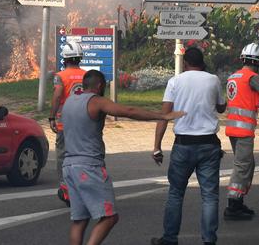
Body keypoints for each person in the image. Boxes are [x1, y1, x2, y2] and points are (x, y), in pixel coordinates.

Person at [61, 70, 185, 245]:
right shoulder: (96, 101)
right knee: (109, 217)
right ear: (99, 86)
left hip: (68, 167)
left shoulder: (69, 102)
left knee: (79, 220)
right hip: (89, 167)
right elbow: (129, 111)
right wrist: (162, 116)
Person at [151, 47, 227, 245]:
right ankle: (209, 240)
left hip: (183, 145)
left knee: (176, 193)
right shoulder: (213, 80)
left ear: (185, 63)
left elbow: (164, 115)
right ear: (202, 62)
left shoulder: (175, 81)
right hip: (209, 144)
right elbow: (221, 107)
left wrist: (157, 146)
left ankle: (169, 239)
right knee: (209, 196)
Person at [223, 43, 259, 220]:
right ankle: (233, 205)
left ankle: (238, 200)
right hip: (244, 131)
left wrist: (256, 101)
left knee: (247, 164)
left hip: (232, 128)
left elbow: (242, 100)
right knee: (242, 166)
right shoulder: (253, 77)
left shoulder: (233, 77)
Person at [50, 41, 87, 205]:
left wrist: (52, 116)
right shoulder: (87, 75)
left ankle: (66, 188)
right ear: (80, 58)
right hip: (84, 124)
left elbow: (58, 95)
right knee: (83, 155)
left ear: (64, 59)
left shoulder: (60, 76)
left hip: (65, 124)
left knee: (63, 156)